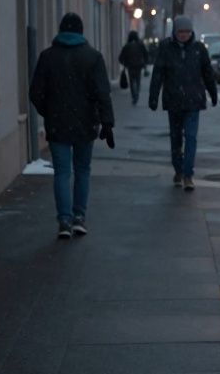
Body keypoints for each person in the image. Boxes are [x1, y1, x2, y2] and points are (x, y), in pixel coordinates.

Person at [29, 13, 115, 239]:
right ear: (81, 31)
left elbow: (35, 93)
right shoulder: (93, 57)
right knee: (83, 170)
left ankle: (64, 221)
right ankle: (79, 217)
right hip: (86, 122)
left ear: (60, 31)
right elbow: (102, 93)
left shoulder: (47, 57)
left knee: (62, 172)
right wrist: (106, 122)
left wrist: (49, 111)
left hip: (57, 123)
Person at [148, 16, 217, 190]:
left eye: (187, 31)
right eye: (181, 31)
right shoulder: (166, 48)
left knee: (191, 138)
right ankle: (178, 170)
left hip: (193, 101)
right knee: (176, 138)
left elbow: (207, 73)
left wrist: (213, 93)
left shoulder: (199, 49)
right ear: (175, 32)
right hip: (174, 100)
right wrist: (153, 96)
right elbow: (158, 73)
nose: (184, 35)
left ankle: (188, 174)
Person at [117, 30, 149, 105]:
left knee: (131, 81)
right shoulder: (140, 45)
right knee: (138, 81)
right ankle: (137, 93)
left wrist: (124, 64)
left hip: (130, 66)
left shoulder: (127, 46)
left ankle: (134, 96)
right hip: (139, 66)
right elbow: (146, 54)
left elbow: (121, 57)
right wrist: (145, 63)